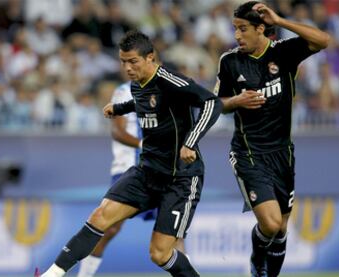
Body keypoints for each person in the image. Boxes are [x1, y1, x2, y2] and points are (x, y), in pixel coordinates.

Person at [38, 30, 223, 277]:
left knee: (160, 254)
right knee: (100, 216)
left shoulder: (172, 82)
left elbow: (213, 103)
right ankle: (52, 274)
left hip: (180, 178)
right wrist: (120, 108)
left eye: (133, 61)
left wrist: (190, 141)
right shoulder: (137, 85)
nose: (127, 67)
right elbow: (145, 103)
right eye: (123, 61)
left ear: (151, 58)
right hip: (146, 172)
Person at [215, 1, 330, 277]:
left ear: (261, 29)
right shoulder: (230, 61)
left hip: (282, 154)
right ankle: (256, 262)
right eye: (235, 30)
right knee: (270, 223)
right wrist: (237, 100)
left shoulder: (284, 53)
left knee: (280, 230)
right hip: (248, 153)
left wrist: (281, 20)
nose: (237, 36)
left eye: (243, 29)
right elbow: (216, 104)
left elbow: (324, 40)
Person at [77, 80, 185, 277]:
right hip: (129, 168)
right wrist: (146, 145)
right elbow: (118, 131)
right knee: (108, 227)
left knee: (174, 233)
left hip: (163, 169)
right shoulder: (124, 91)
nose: (129, 68)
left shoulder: (166, 89)